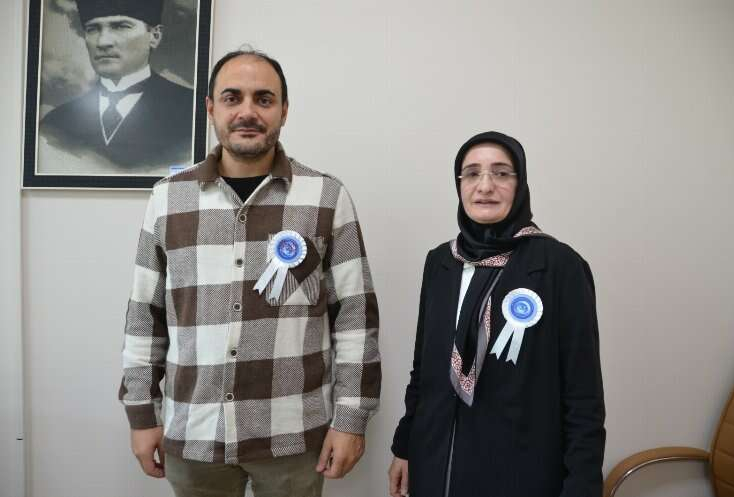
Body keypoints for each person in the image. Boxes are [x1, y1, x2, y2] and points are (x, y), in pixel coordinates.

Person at [119, 49, 381, 497]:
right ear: (211, 108)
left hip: (294, 436)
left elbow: (356, 319)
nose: (247, 112)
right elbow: (145, 316)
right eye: (232, 97)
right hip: (195, 434)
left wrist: (351, 419)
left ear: (284, 110)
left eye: (263, 99)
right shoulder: (167, 199)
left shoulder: (326, 197)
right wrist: (142, 414)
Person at [388, 131, 605, 497]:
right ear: (459, 184)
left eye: (501, 173)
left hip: (518, 474)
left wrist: (582, 487)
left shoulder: (559, 266)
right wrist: (405, 446)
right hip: (434, 466)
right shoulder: (440, 262)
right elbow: (423, 369)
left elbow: (583, 396)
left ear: (520, 184)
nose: (485, 186)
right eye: (472, 173)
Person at [40, 0, 193, 169]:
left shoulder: (192, 112)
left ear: (154, 36)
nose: (102, 42)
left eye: (121, 26)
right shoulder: (56, 123)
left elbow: (188, 182)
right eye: (92, 29)